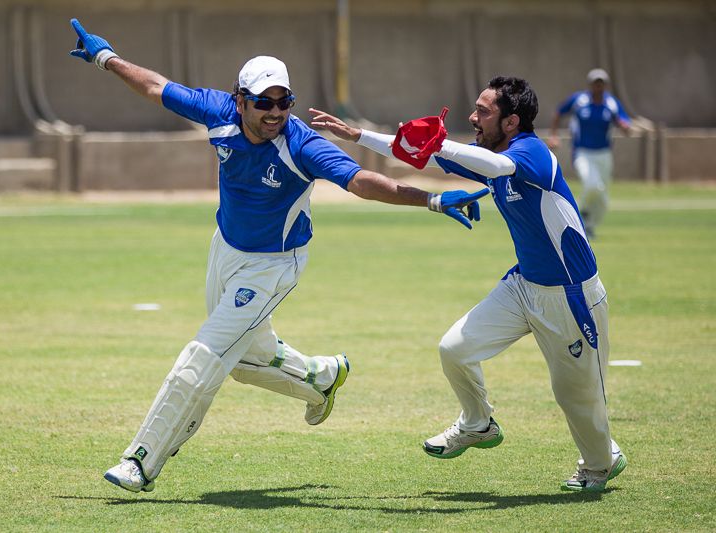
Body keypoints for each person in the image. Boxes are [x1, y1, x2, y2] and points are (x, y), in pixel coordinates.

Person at [68, 19, 488, 493]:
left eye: (283, 101)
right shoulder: (217, 110)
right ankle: (321, 377)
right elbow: (155, 87)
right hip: (225, 248)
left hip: (273, 265)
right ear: (240, 100)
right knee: (245, 361)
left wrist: (431, 199)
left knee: (203, 357)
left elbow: (361, 182)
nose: (274, 112)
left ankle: (140, 460)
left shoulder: (301, 144)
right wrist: (106, 58)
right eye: (263, 102)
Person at [310, 76, 627, 492]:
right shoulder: (490, 153)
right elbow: (420, 154)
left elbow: (494, 167)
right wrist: (357, 136)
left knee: (575, 397)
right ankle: (478, 424)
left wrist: (439, 143)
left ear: (511, 122)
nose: (473, 117)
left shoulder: (531, 152)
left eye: (483, 111)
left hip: (570, 296)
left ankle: (601, 464)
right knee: (454, 349)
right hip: (524, 286)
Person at [548, 68, 631, 237]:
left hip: (604, 154)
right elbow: (559, 112)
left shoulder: (612, 104)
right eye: (595, 83)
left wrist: (624, 126)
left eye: (601, 83)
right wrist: (554, 135)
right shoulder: (579, 100)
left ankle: (589, 227)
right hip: (582, 152)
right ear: (590, 84)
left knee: (603, 198)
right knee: (592, 185)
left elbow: (624, 123)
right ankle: (578, 213)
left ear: (605, 85)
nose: (598, 86)